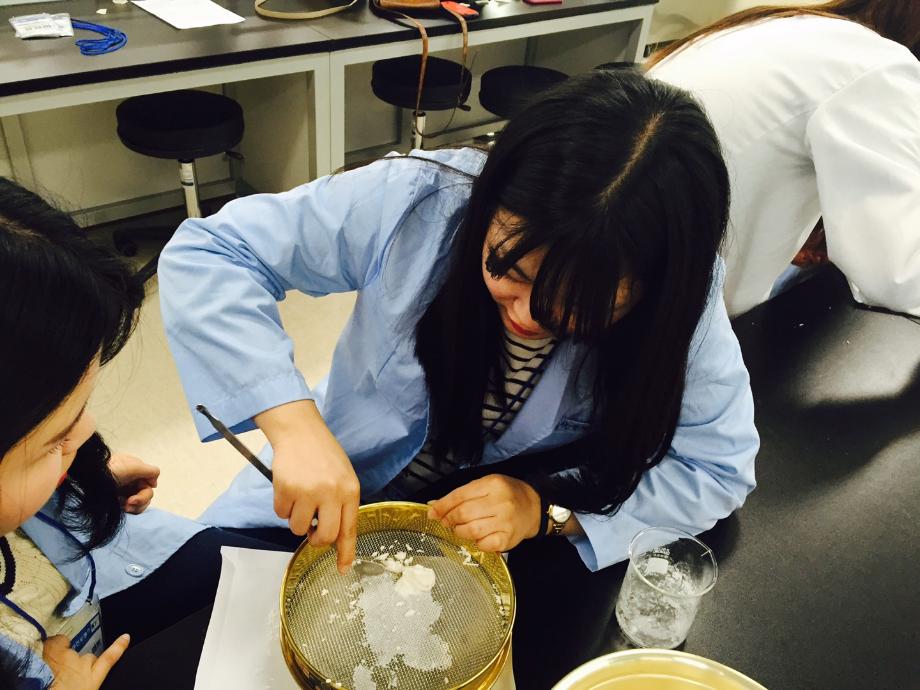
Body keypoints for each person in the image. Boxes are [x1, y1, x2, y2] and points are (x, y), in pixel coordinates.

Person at [158, 70, 759, 687]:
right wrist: (294, 428)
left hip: (490, 549)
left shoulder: (682, 303)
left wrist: (548, 512)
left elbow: (717, 469)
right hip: (331, 494)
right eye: (511, 270)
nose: (528, 317)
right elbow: (211, 253)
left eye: (577, 307)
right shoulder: (421, 200)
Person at [0, 178, 295, 689]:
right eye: (53, 439)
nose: (87, 430)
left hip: (88, 586)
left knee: (269, 581)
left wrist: (66, 484)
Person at [646, 0, 920, 317]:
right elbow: (900, 278)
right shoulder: (878, 71)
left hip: (637, 266)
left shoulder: (802, 28)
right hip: (670, 307)